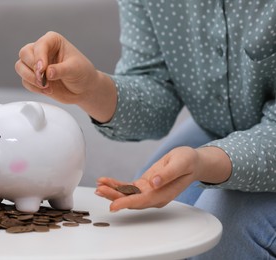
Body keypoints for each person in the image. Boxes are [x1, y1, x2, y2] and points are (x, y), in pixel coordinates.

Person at [15, 0, 276, 258]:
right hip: (216, 130)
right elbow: (157, 92)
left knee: (220, 230)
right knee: (143, 224)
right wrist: (92, 87)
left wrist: (207, 161)